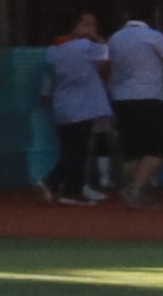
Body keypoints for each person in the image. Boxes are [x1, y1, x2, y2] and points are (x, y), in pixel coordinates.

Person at [104, 0, 163, 206]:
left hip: (121, 97)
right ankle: (136, 191)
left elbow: (107, 66)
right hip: (149, 97)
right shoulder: (154, 37)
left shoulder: (115, 38)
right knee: (161, 148)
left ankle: (132, 189)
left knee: (133, 150)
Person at [41, 13, 115, 205]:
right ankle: (63, 186)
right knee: (78, 151)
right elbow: (107, 53)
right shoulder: (84, 46)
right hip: (84, 105)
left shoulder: (52, 51)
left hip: (63, 105)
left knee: (71, 149)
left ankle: (60, 185)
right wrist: (92, 36)